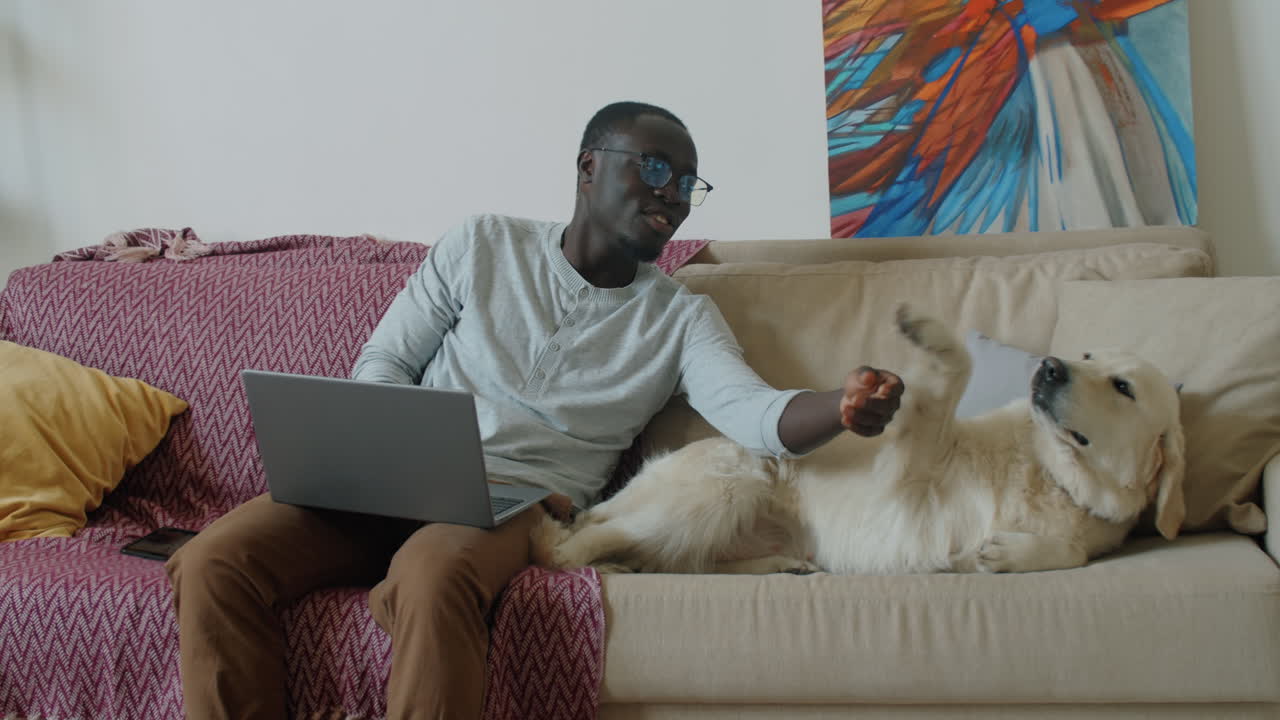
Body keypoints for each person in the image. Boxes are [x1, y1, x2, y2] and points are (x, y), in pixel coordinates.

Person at [165, 101, 905, 720]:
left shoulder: (680, 319)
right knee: (213, 561)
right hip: (388, 478)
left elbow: (754, 414)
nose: (674, 196)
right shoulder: (481, 245)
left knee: (431, 575)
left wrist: (840, 409)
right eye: (654, 169)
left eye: (687, 184)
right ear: (589, 166)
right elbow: (385, 361)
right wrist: (388, 443)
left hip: (514, 503)